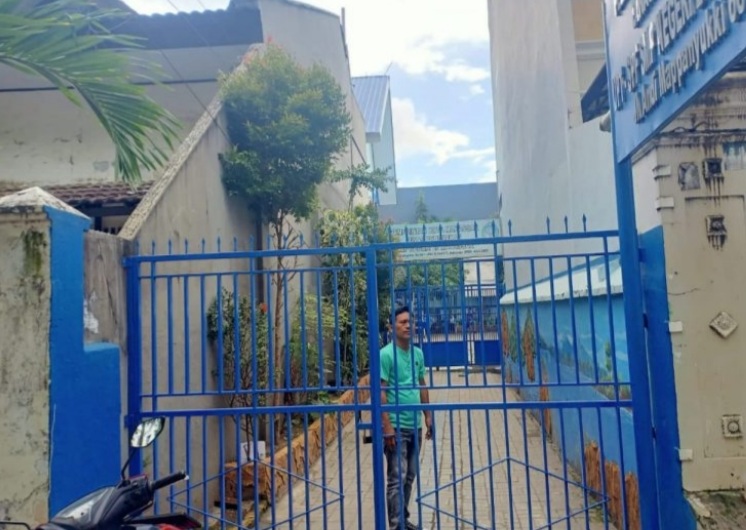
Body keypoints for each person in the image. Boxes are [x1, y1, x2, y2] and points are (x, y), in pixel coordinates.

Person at [380, 305, 432, 530]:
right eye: (402, 322)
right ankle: (395, 525)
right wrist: (387, 426)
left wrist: (428, 416)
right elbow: (380, 392)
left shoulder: (418, 354)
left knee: (410, 475)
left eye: (410, 322)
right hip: (396, 426)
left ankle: (402, 519)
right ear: (391, 327)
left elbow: (422, 385)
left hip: (415, 424)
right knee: (396, 477)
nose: (408, 325)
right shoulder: (386, 354)